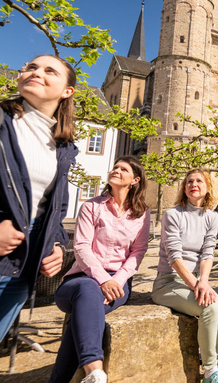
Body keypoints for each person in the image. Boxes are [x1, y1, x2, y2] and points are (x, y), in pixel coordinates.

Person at [0, 55, 78, 381]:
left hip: (20, 272)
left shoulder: (63, 146)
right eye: (30, 67)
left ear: (66, 91)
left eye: (48, 70)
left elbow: (56, 207)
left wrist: (56, 243)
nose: (35, 72)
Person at [50, 156, 150, 383]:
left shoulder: (142, 212)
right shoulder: (91, 207)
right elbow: (81, 247)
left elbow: (138, 252)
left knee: (83, 315)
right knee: (88, 290)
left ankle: (77, 377)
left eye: (123, 169)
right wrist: (103, 280)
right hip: (80, 278)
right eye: (115, 167)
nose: (116, 170)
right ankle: (94, 370)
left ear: (134, 180)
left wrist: (119, 280)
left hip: (118, 281)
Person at [153, 169, 218, 383]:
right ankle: (209, 371)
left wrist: (204, 282)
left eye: (199, 181)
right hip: (169, 281)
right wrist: (195, 285)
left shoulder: (211, 216)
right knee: (209, 309)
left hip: (195, 281)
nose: (194, 184)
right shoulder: (172, 215)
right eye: (189, 181)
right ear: (184, 188)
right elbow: (174, 256)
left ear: (208, 187)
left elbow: (208, 252)